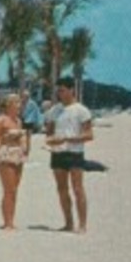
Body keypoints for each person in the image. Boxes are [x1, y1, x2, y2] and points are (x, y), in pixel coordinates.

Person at [47, 77, 94, 233]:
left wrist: (67, 139)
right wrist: (52, 140)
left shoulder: (81, 110)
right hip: (58, 152)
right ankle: (68, 222)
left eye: (62, 90)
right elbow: (49, 133)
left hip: (74, 152)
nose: (60, 94)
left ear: (71, 90)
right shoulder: (54, 110)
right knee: (61, 189)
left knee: (78, 188)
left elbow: (89, 135)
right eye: (58, 91)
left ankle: (82, 224)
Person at [0, 94, 30, 231]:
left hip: (18, 155)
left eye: (19, 102)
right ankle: (7, 222)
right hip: (6, 154)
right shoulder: (1, 120)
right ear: (9, 104)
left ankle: (11, 220)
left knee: (15, 189)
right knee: (8, 189)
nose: (19, 105)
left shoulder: (18, 121)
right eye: (16, 102)